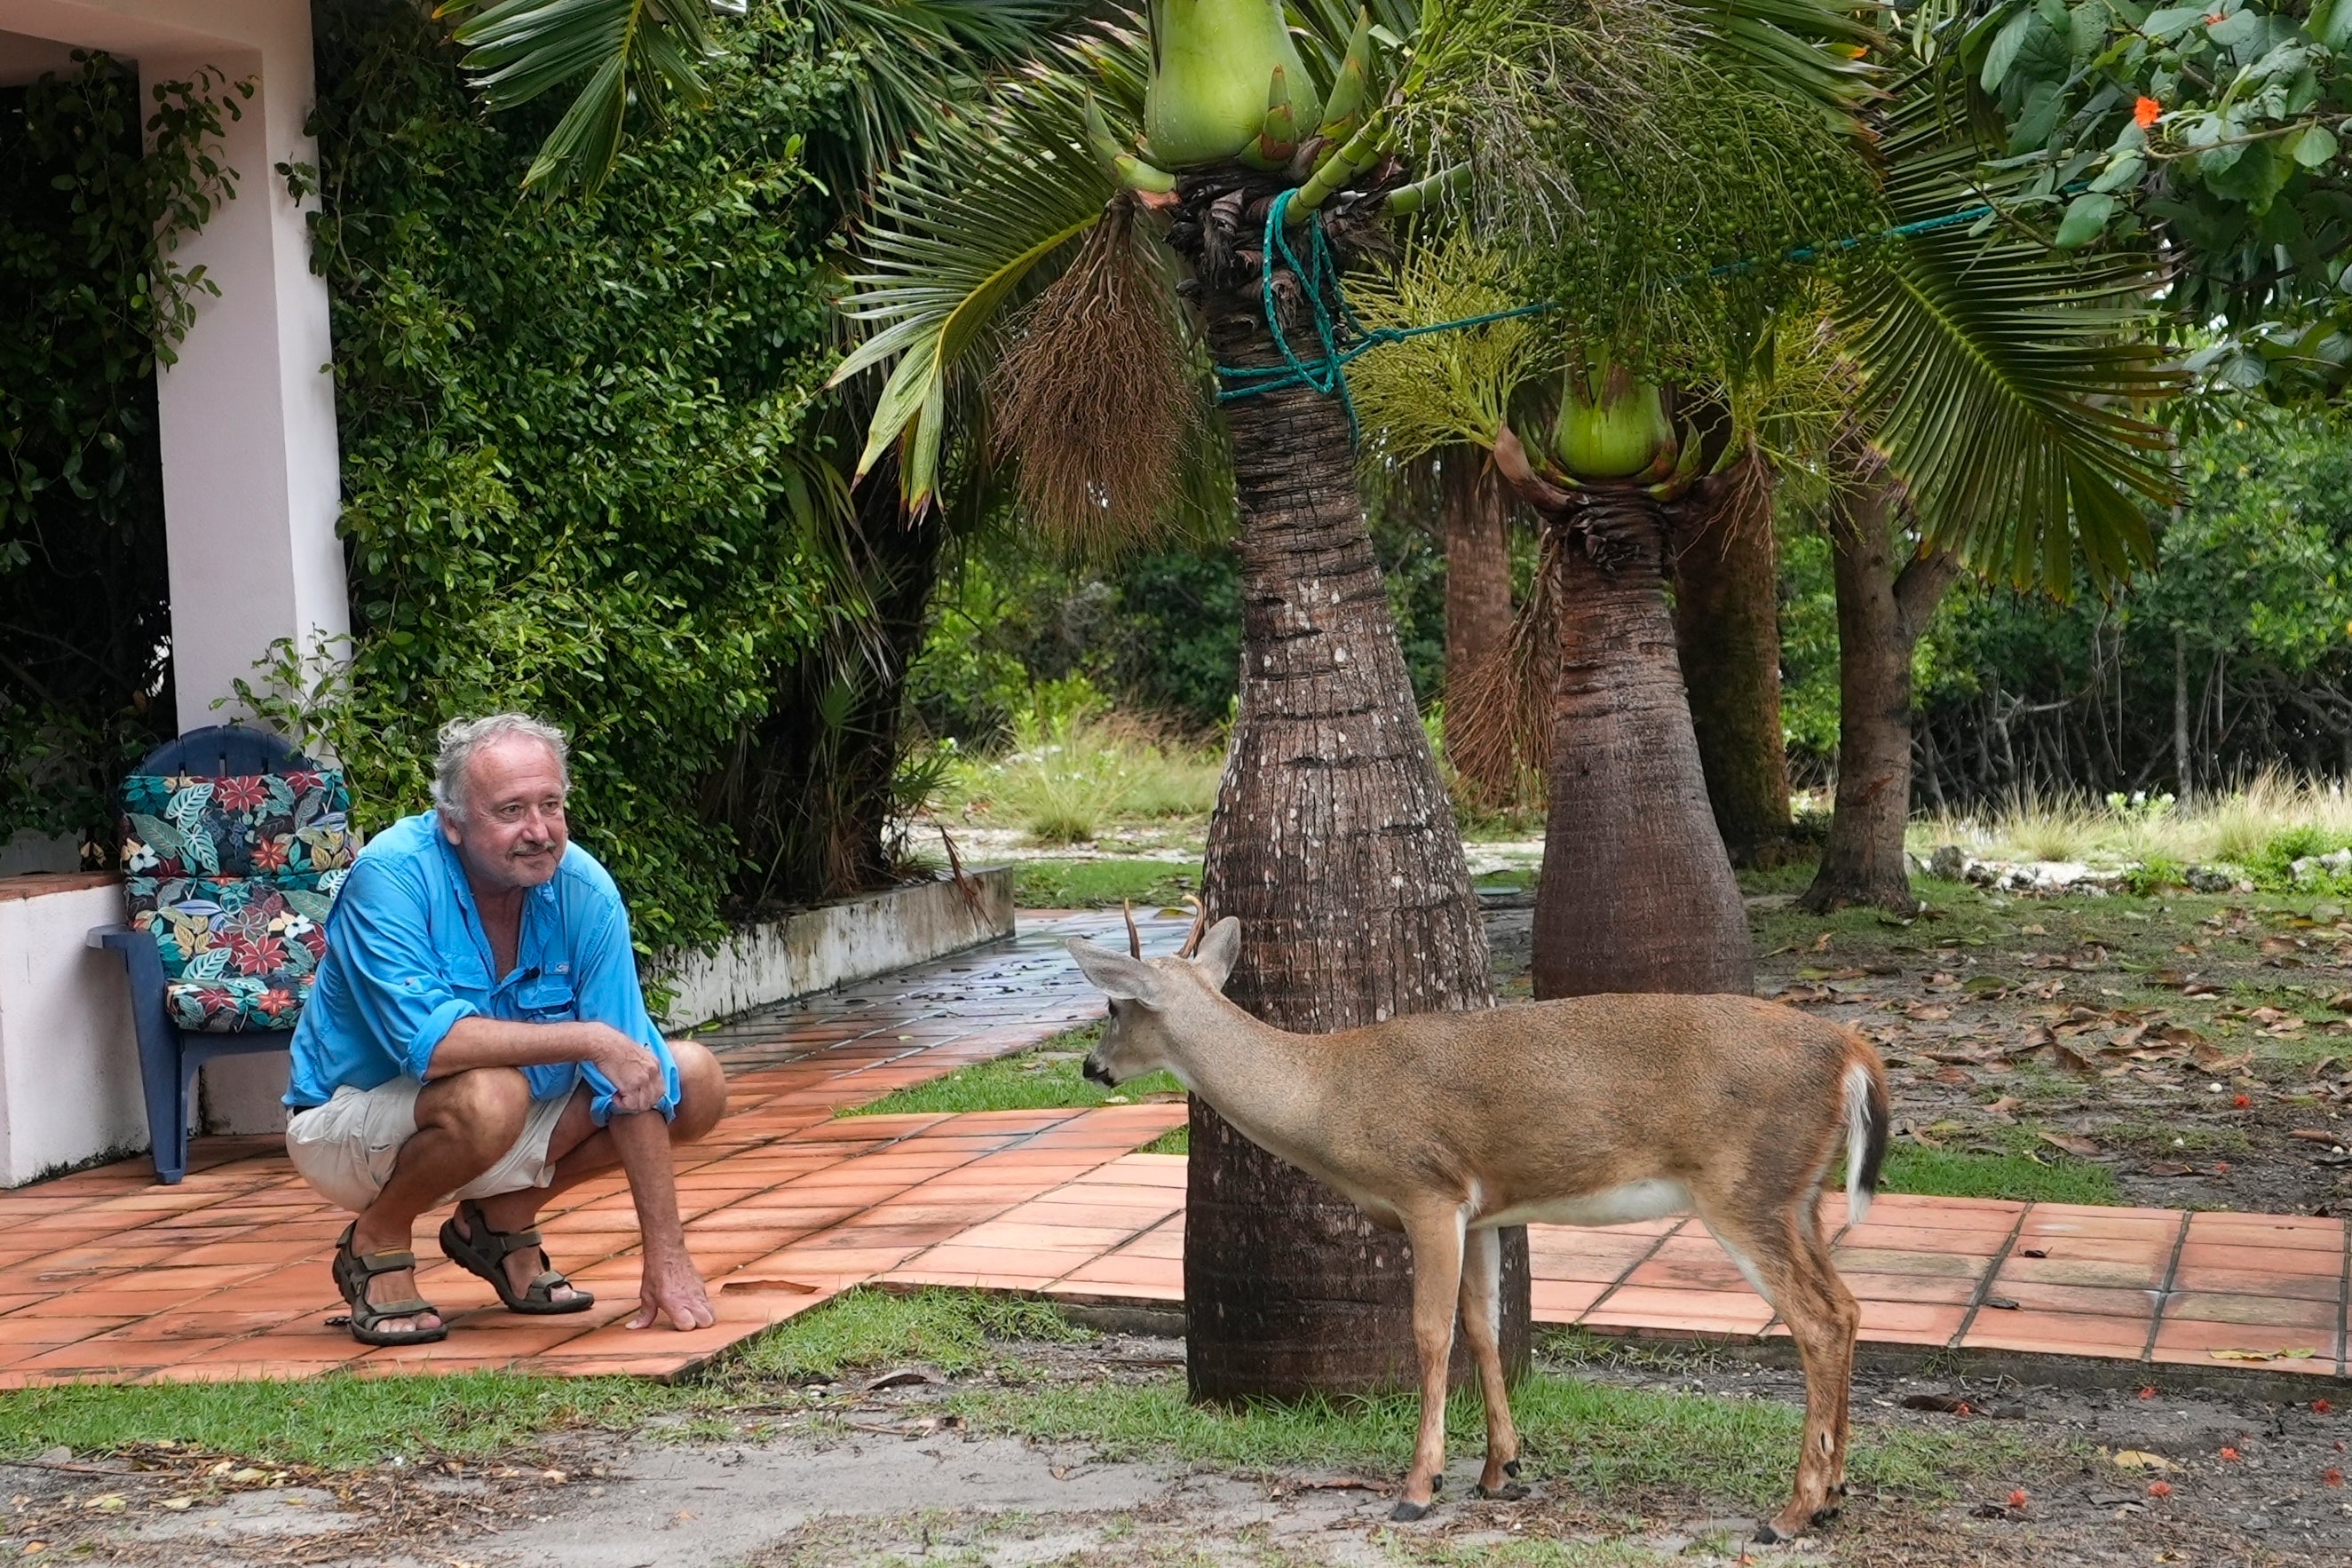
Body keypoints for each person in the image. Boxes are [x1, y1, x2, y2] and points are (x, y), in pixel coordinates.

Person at [282, 713, 726, 1345]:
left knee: (691, 1077)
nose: (539, 831)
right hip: (349, 1126)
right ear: (453, 823)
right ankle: (377, 1235)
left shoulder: (583, 889)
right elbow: (434, 1049)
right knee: (494, 1091)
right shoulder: (392, 876)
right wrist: (590, 1039)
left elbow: (632, 1079)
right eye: (511, 810)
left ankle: (499, 1221)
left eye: (551, 805)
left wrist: (666, 1256)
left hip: (503, 1124)